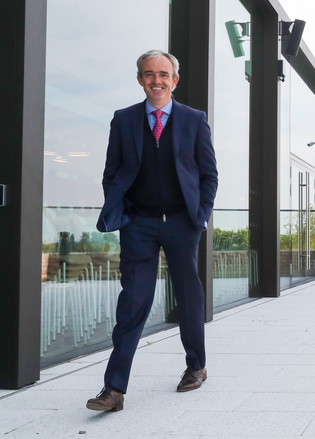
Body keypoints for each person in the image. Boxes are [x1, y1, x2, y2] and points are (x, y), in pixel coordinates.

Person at [87, 50, 218, 411]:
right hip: (139, 223)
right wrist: (124, 214)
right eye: (148, 74)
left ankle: (196, 366)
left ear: (174, 80)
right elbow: (112, 173)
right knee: (133, 302)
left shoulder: (194, 120)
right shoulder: (124, 119)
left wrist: (201, 216)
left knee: (189, 297)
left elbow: (209, 174)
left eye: (163, 74)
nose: (156, 81)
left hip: (181, 222)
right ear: (140, 79)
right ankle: (113, 390)